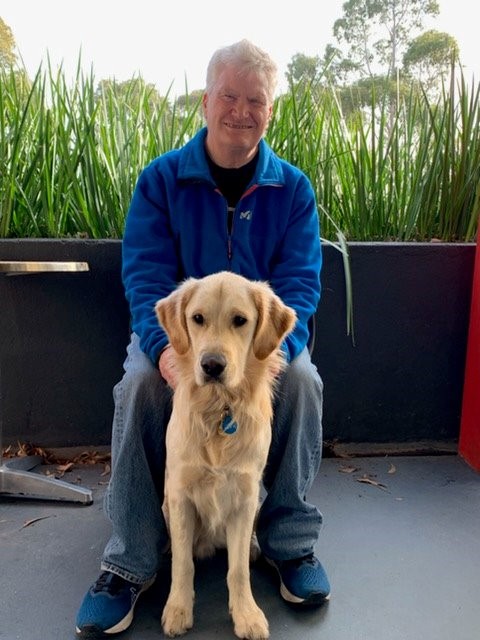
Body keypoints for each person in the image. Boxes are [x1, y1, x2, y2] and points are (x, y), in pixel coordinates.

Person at [75, 38, 330, 638]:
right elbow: (145, 278)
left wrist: (274, 354)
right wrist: (166, 350)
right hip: (178, 336)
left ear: (270, 110)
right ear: (205, 101)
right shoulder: (161, 180)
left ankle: (289, 542)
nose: (241, 111)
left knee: (303, 379)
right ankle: (130, 560)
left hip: (259, 340)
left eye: (256, 101)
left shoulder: (292, 190)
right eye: (229, 96)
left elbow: (298, 284)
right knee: (138, 382)